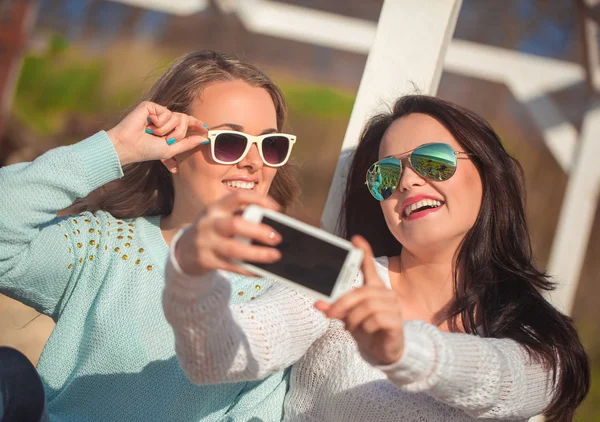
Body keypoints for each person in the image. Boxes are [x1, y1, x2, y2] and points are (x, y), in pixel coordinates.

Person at [163, 95, 590, 421]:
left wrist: (403, 350)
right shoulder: (341, 274)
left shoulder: (535, 330)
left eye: (434, 162)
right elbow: (218, 358)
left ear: (487, 172)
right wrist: (190, 276)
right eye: (385, 174)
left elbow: (502, 381)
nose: (406, 181)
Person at [0, 50, 301, 421]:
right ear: (172, 153)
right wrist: (116, 148)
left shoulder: (281, 293)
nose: (254, 162)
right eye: (229, 143)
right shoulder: (105, 247)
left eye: (270, 146)